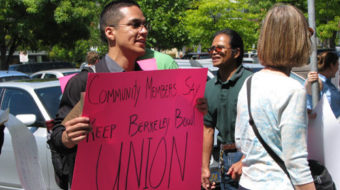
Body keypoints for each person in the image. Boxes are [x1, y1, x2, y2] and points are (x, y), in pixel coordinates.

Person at [48, 1, 203, 189]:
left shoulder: (152, 86)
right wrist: (68, 138)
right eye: (135, 25)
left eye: (145, 25)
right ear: (110, 32)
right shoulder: (85, 83)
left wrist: (194, 111)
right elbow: (57, 138)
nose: (144, 31)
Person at [235, 4, 316, 190]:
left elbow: (240, 140)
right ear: (296, 40)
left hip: (248, 183)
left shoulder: (249, 83)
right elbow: (296, 163)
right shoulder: (292, 89)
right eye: (307, 35)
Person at [201, 28, 253, 190]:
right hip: (222, 158)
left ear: (236, 53)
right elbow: (207, 129)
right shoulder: (209, 87)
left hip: (251, 160)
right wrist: (205, 168)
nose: (214, 52)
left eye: (220, 48)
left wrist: (245, 160)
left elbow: (264, 127)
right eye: (211, 48)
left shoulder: (252, 82)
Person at [305, 51, 340, 120]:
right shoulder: (315, 81)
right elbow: (308, 104)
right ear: (331, 65)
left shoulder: (328, 83)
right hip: (323, 126)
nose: (338, 69)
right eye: (337, 65)